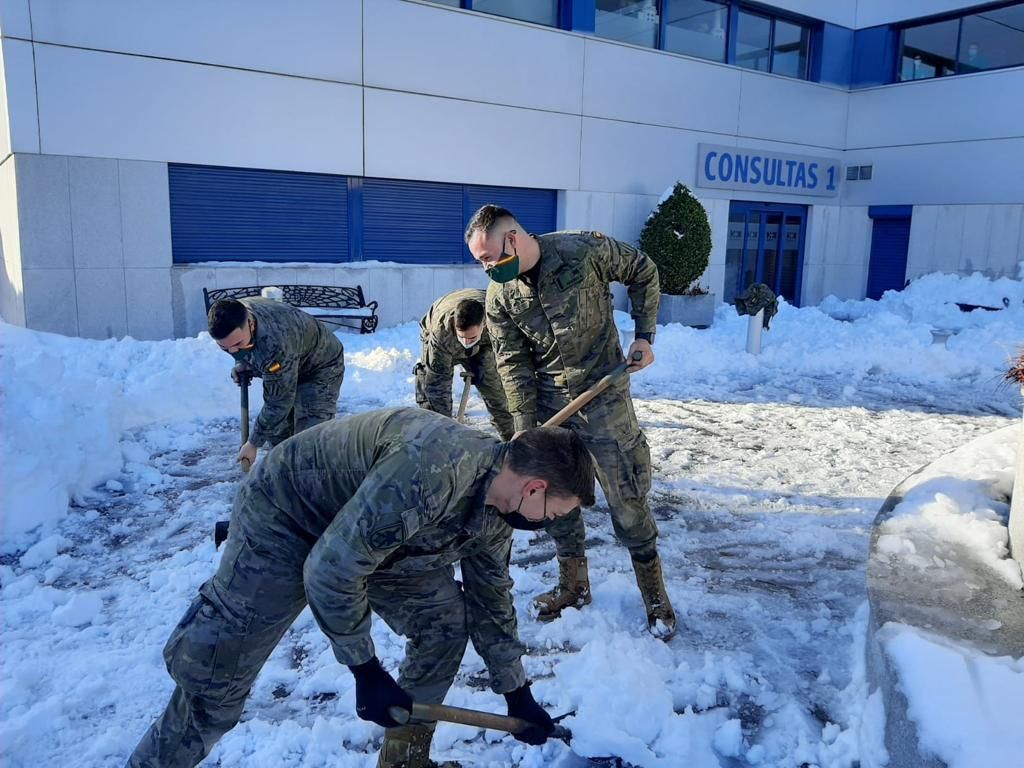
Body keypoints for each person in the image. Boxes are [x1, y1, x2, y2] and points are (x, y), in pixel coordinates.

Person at [126, 407, 594, 768]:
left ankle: (403, 758)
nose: (548, 525)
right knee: (216, 681)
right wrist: (366, 672)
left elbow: (492, 601)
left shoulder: (495, 513)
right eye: (553, 514)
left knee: (445, 621)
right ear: (534, 488)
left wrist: (516, 694)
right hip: (289, 517)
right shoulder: (431, 472)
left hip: (382, 538)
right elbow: (330, 570)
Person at [465, 204, 677, 639]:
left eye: (488, 258)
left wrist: (644, 335)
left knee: (627, 495)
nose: (486, 269)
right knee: (554, 499)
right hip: (548, 406)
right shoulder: (499, 296)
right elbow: (512, 363)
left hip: (604, 395)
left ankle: (655, 598)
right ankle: (573, 586)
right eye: (480, 263)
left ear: (512, 239)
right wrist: (525, 427)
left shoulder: (583, 251)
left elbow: (643, 270)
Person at [207, 297, 345, 467]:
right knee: (278, 433)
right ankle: (287, 475)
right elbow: (242, 348)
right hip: (292, 357)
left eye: (238, 344)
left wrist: (253, 443)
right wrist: (242, 361)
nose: (233, 351)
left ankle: (318, 484)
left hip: (320, 366)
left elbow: (278, 402)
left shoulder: (276, 343)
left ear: (250, 324)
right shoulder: (233, 314)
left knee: (309, 439)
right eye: (225, 348)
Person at [415, 288, 515, 441]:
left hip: (486, 339)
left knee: (493, 384)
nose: (466, 343)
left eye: (471, 337)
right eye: (462, 337)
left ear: (483, 324)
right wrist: (445, 432)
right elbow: (438, 385)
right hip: (440, 326)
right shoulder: (442, 333)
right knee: (429, 385)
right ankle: (434, 439)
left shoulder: (498, 321)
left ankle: (511, 438)